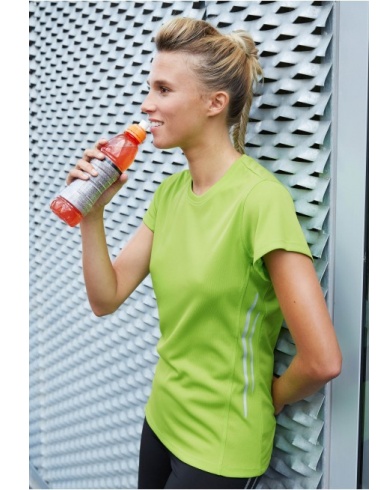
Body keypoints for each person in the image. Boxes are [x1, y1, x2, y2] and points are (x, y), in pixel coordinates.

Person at [66, 16, 342, 489]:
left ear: (215, 103)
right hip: (162, 418)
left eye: (163, 90)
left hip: (219, 445)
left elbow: (322, 360)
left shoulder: (260, 200)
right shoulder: (170, 194)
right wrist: (92, 214)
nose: (146, 104)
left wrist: (267, 399)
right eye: (150, 88)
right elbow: (105, 299)